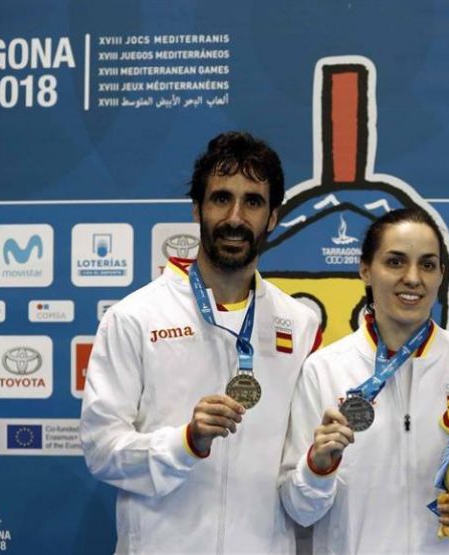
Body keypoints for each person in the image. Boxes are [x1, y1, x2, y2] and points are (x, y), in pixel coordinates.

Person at [81, 131, 322, 554]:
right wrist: (185, 442)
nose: (235, 218)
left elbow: (300, 475)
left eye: (252, 202)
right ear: (197, 209)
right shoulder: (135, 317)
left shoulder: (301, 326)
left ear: (272, 217)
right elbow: (102, 450)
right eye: (221, 198)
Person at [279, 208, 449, 554]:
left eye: (427, 265)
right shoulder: (324, 370)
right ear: (365, 270)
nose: (413, 278)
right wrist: (318, 466)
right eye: (395, 262)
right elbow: (300, 510)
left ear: (441, 275)